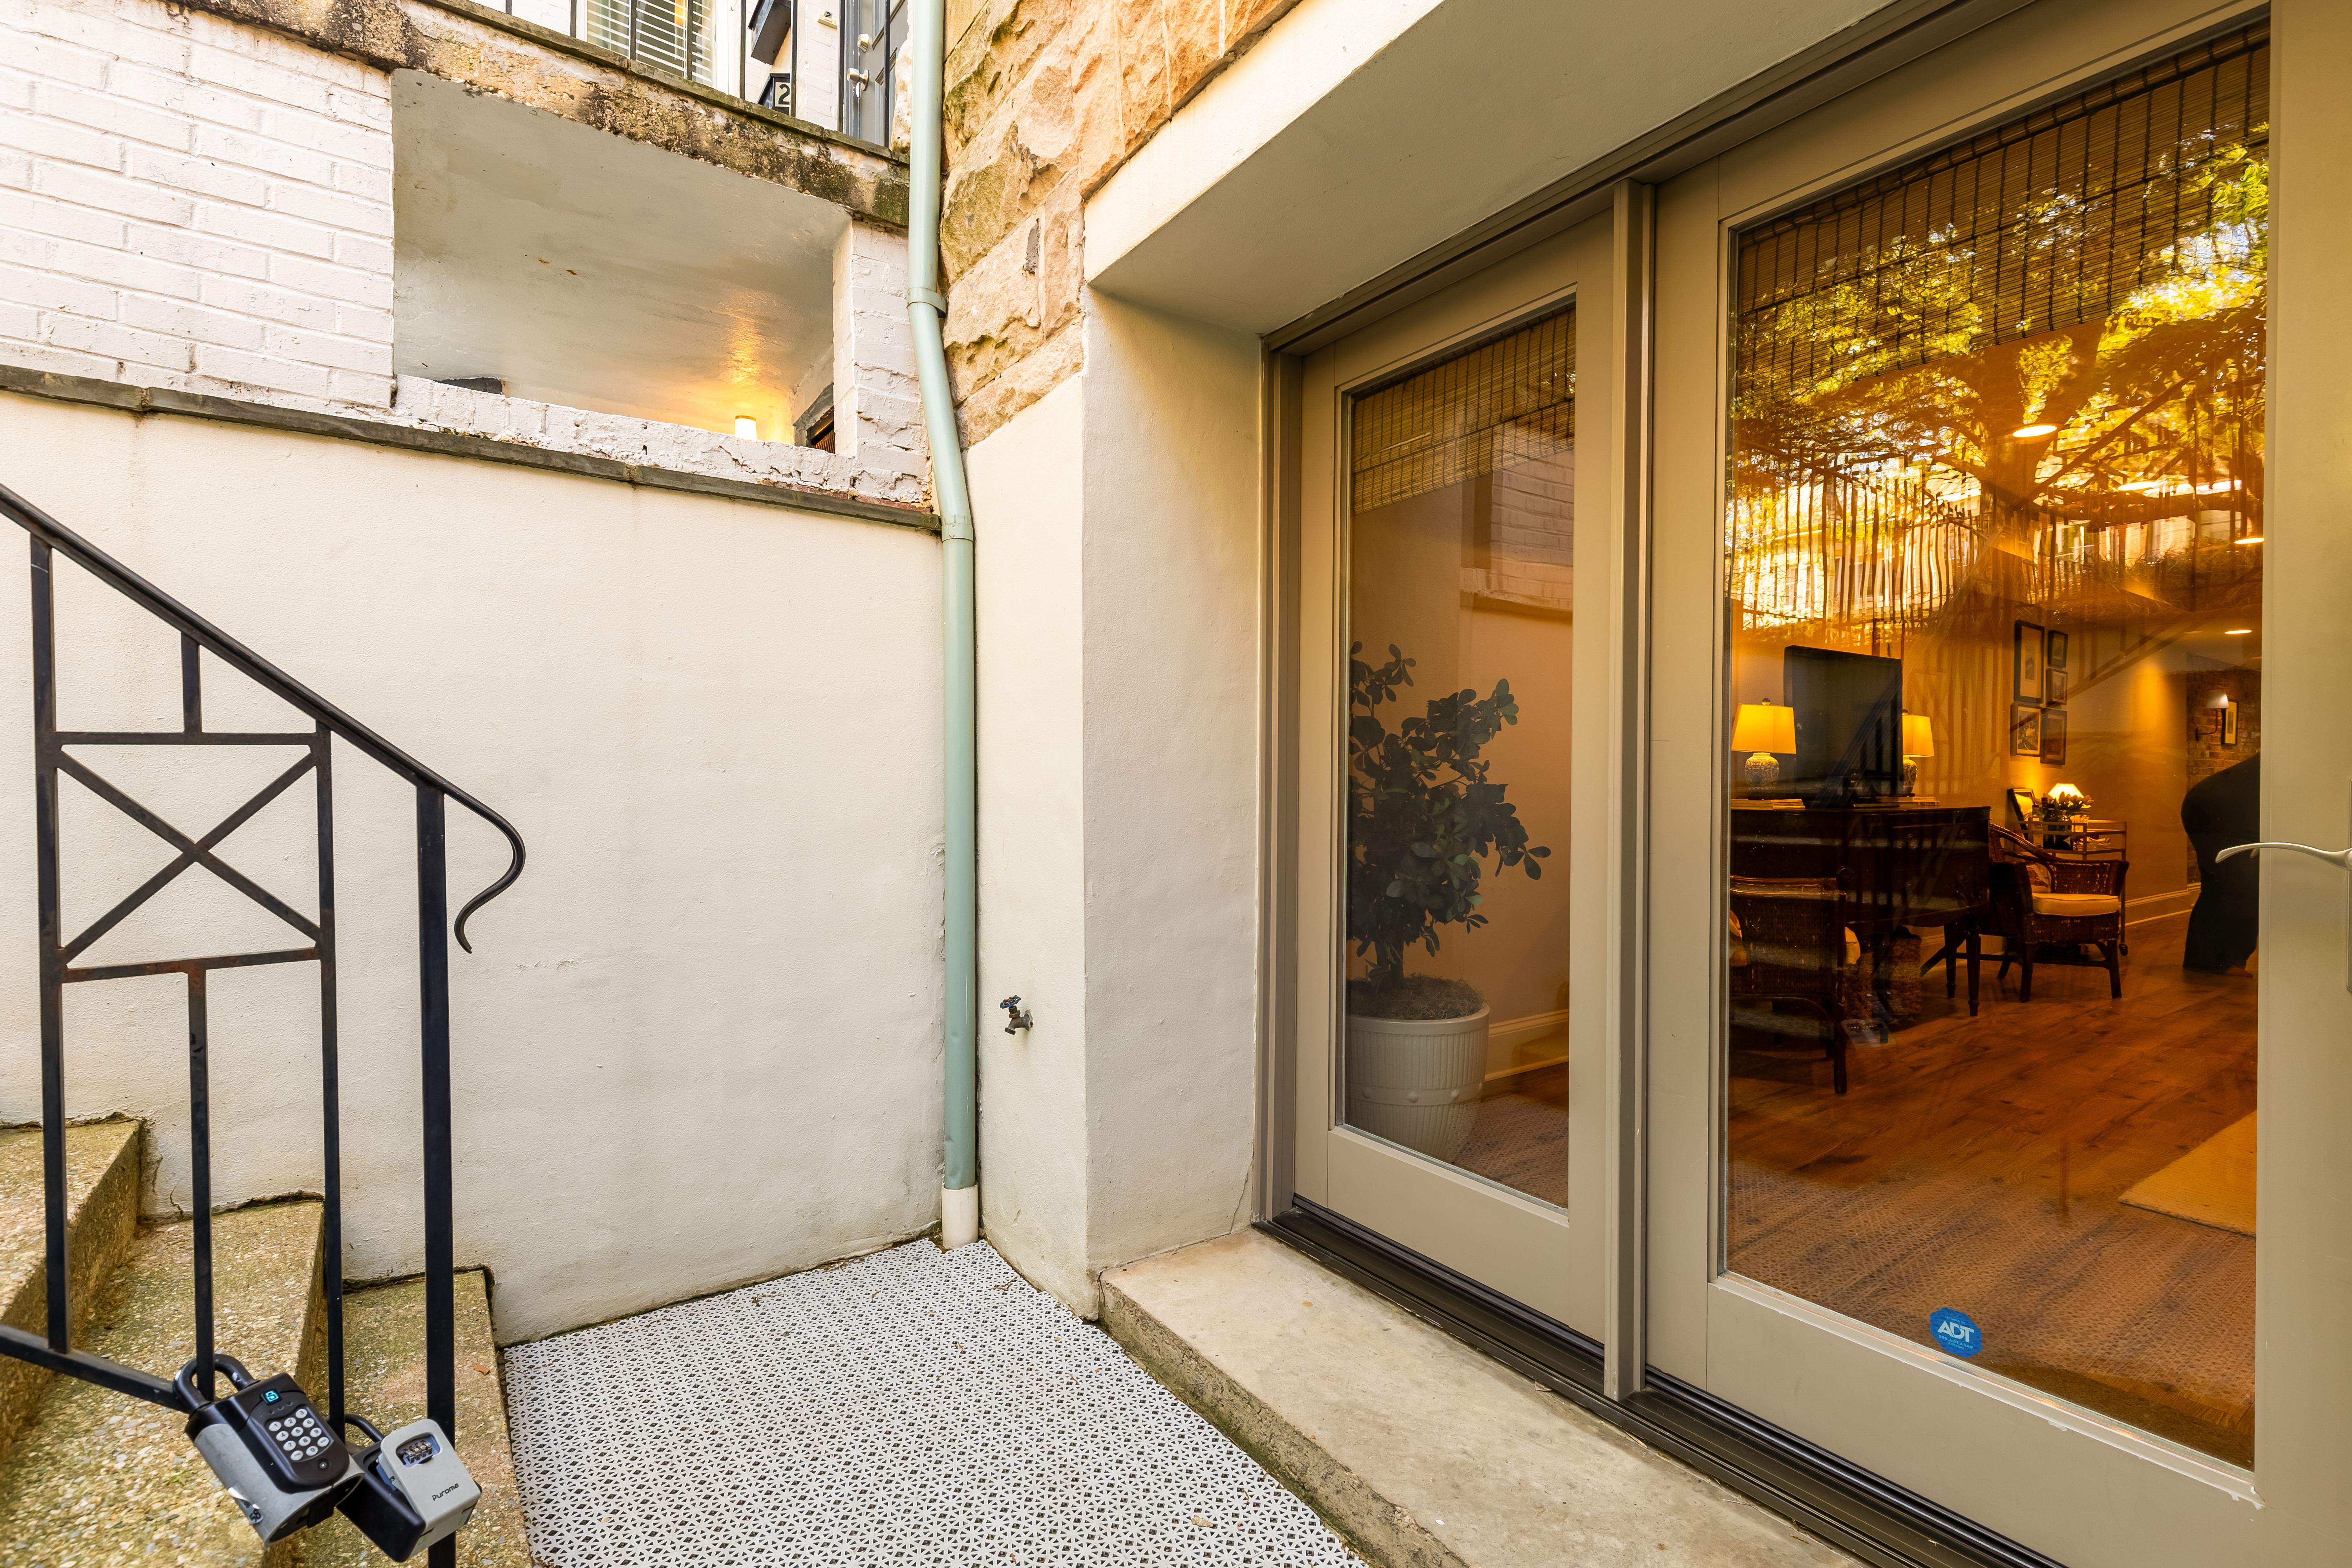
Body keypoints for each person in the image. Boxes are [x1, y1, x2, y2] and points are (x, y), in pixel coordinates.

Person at [2182, 751, 2259, 974]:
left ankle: (2205, 960)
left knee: (2218, 887)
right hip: (2223, 812)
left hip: (2209, 806)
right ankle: (2230, 958)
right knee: (2246, 889)